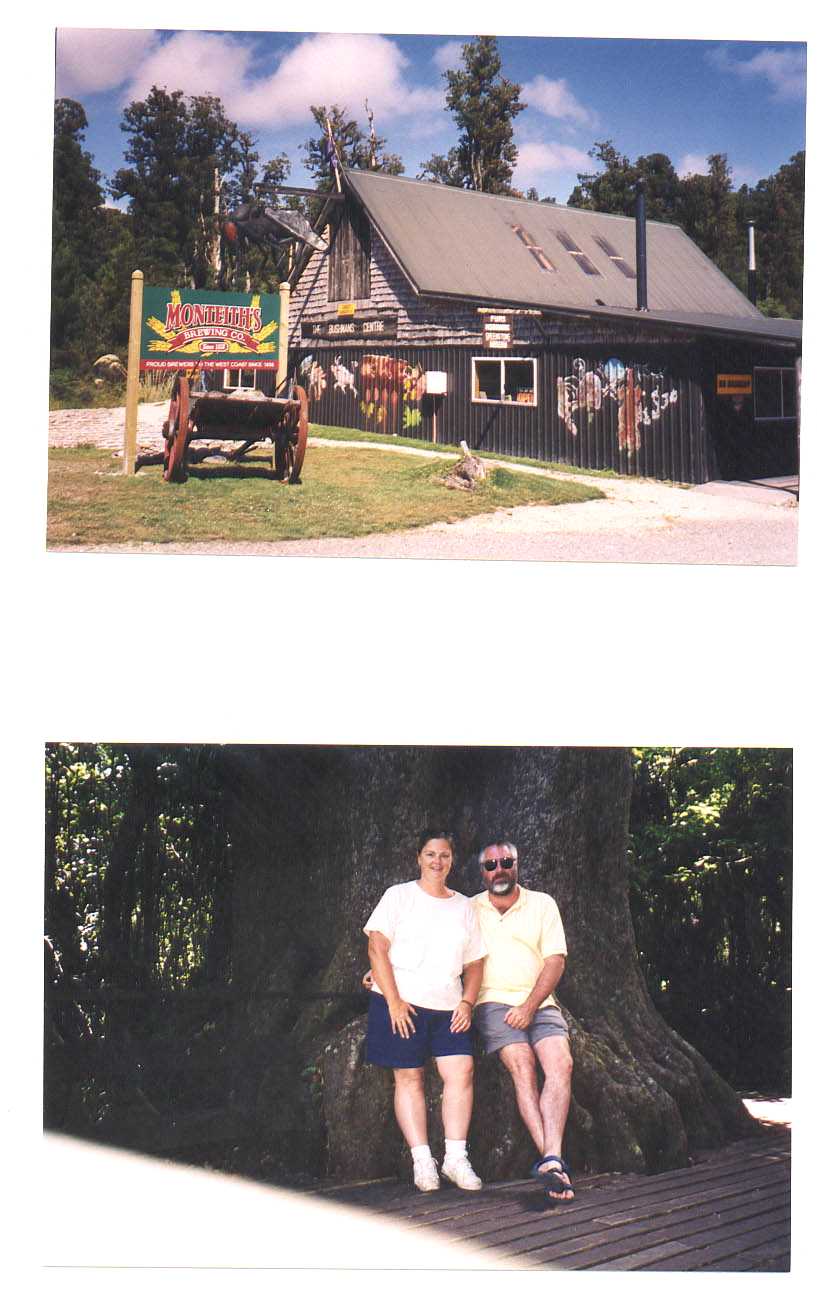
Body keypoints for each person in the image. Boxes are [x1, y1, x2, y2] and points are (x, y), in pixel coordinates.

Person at [363, 829, 486, 1193]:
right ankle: (422, 1162)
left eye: (444, 855)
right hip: (402, 1003)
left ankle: (455, 1158)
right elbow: (376, 947)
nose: (437, 862)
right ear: (418, 857)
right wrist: (393, 1001)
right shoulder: (399, 897)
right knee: (409, 1077)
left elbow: (476, 963)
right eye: (430, 854)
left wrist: (467, 1001)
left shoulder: (464, 906)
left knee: (461, 1070)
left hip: (449, 1005)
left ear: (452, 860)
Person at [472, 841, 575, 1205]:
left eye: (505, 862)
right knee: (521, 1063)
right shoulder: (470, 909)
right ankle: (553, 1162)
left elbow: (555, 962)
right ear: (482, 872)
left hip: (540, 1001)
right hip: (493, 1003)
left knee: (561, 1063)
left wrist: (530, 1006)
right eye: (490, 865)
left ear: (516, 865)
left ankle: (551, 1158)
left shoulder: (542, 904)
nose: (498, 870)